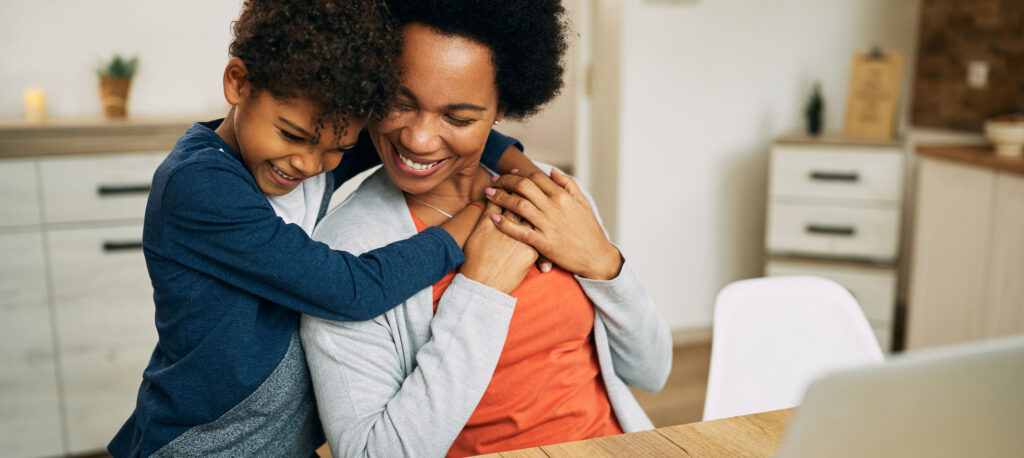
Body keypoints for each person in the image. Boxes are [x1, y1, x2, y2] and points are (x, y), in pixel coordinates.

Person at [107, 0, 538, 456]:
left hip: (286, 444)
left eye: (337, 149)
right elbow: (351, 290)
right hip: (205, 444)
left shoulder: (320, 133)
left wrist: (522, 170)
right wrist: (476, 214)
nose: (310, 164)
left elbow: (436, 131)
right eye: (293, 136)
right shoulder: (199, 185)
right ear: (238, 83)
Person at [300, 1, 673, 456]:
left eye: (458, 118)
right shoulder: (344, 255)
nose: (418, 139)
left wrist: (602, 260)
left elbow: (651, 371)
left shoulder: (553, 200)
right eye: (399, 102)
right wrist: (481, 290)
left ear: (502, 108)